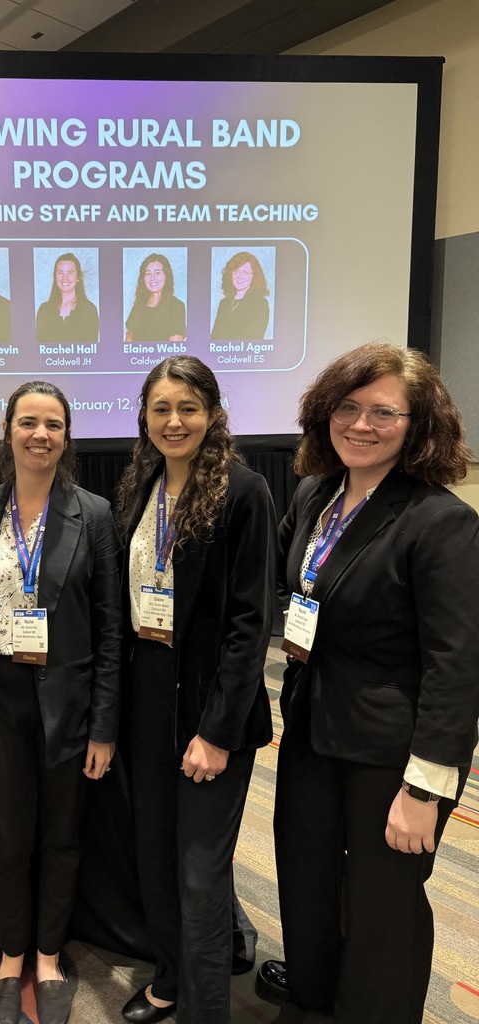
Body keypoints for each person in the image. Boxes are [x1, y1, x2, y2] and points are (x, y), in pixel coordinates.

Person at [257, 343, 479, 1024]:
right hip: (311, 728)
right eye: (347, 407)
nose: (360, 424)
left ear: (418, 426)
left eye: (383, 412)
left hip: (392, 752)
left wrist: (425, 791)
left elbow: (457, 665)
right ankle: (314, 989)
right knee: (306, 876)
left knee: (384, 902)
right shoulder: (316, 495)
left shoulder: (442, 522)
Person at [115, 356, 276, 1024]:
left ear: (212, 413)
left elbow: (250, 625)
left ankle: (206, 1010)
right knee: (155, 855)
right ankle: (170, 978)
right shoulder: (142, 482)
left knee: (200, 872)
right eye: (161, 408)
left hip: (212, 708)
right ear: (144, 416)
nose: (174, 421)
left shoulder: (244, 491)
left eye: (188, 408)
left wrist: (215, 732)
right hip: (147, 700)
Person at [0, 381, 121, 1024]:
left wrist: (104, 726)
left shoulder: (94, 514)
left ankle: (49, 956)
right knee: (5, 839)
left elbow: (111, 628)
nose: (40, 435)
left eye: (53, 425)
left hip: (69, 702)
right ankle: (10, 955)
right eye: (28, 422)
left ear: (67, 436)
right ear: (8, 430)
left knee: (61, 836)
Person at [35, 252, 99, 344]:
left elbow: (92, 349)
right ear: (55, 276)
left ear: (78, 277)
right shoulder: (44, 310)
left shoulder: (89, 310)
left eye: (70, 273)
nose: (65, 278)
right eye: (60, 273)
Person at [125, 253, 187, 343]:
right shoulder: (138, 305)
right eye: (148, 273)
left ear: (166, 276)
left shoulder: (176, 306)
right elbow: (128, 342)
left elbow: (174, 347)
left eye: (157, 273)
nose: (152, 278)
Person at [210, 251, 270, 341]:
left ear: (254, 276)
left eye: (245, 272)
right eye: (236, 271)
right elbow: (215, 337)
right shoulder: (224, 303)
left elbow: (254, 338)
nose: (240, 276)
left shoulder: (260, 303)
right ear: (230, 274)